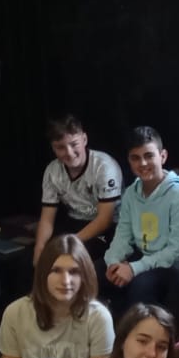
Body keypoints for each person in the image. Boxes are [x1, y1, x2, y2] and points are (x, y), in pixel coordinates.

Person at [101, 126, 179, 331]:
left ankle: (140, 337)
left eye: (149, 156)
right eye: (135, 158)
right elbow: (122, 235)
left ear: (163, 156)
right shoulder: (131, 193)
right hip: (145, 256)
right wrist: (113, 262)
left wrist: (133, 268)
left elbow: (175, 251)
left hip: (173, 262)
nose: (143, 163)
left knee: (140, 286)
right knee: (95, 274)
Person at [33, 114, 122, 267]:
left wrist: (70, 243)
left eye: (74, 144)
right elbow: (47, 218)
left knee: (71, 260)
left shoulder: (104, 166)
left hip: (108, 228)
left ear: (84, 140)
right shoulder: (52, 170)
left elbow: (104, 220)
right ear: (53, 148)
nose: (68, 152)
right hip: (75, 223)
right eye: (60, 147)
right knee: (35, 259)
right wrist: (39, 249)